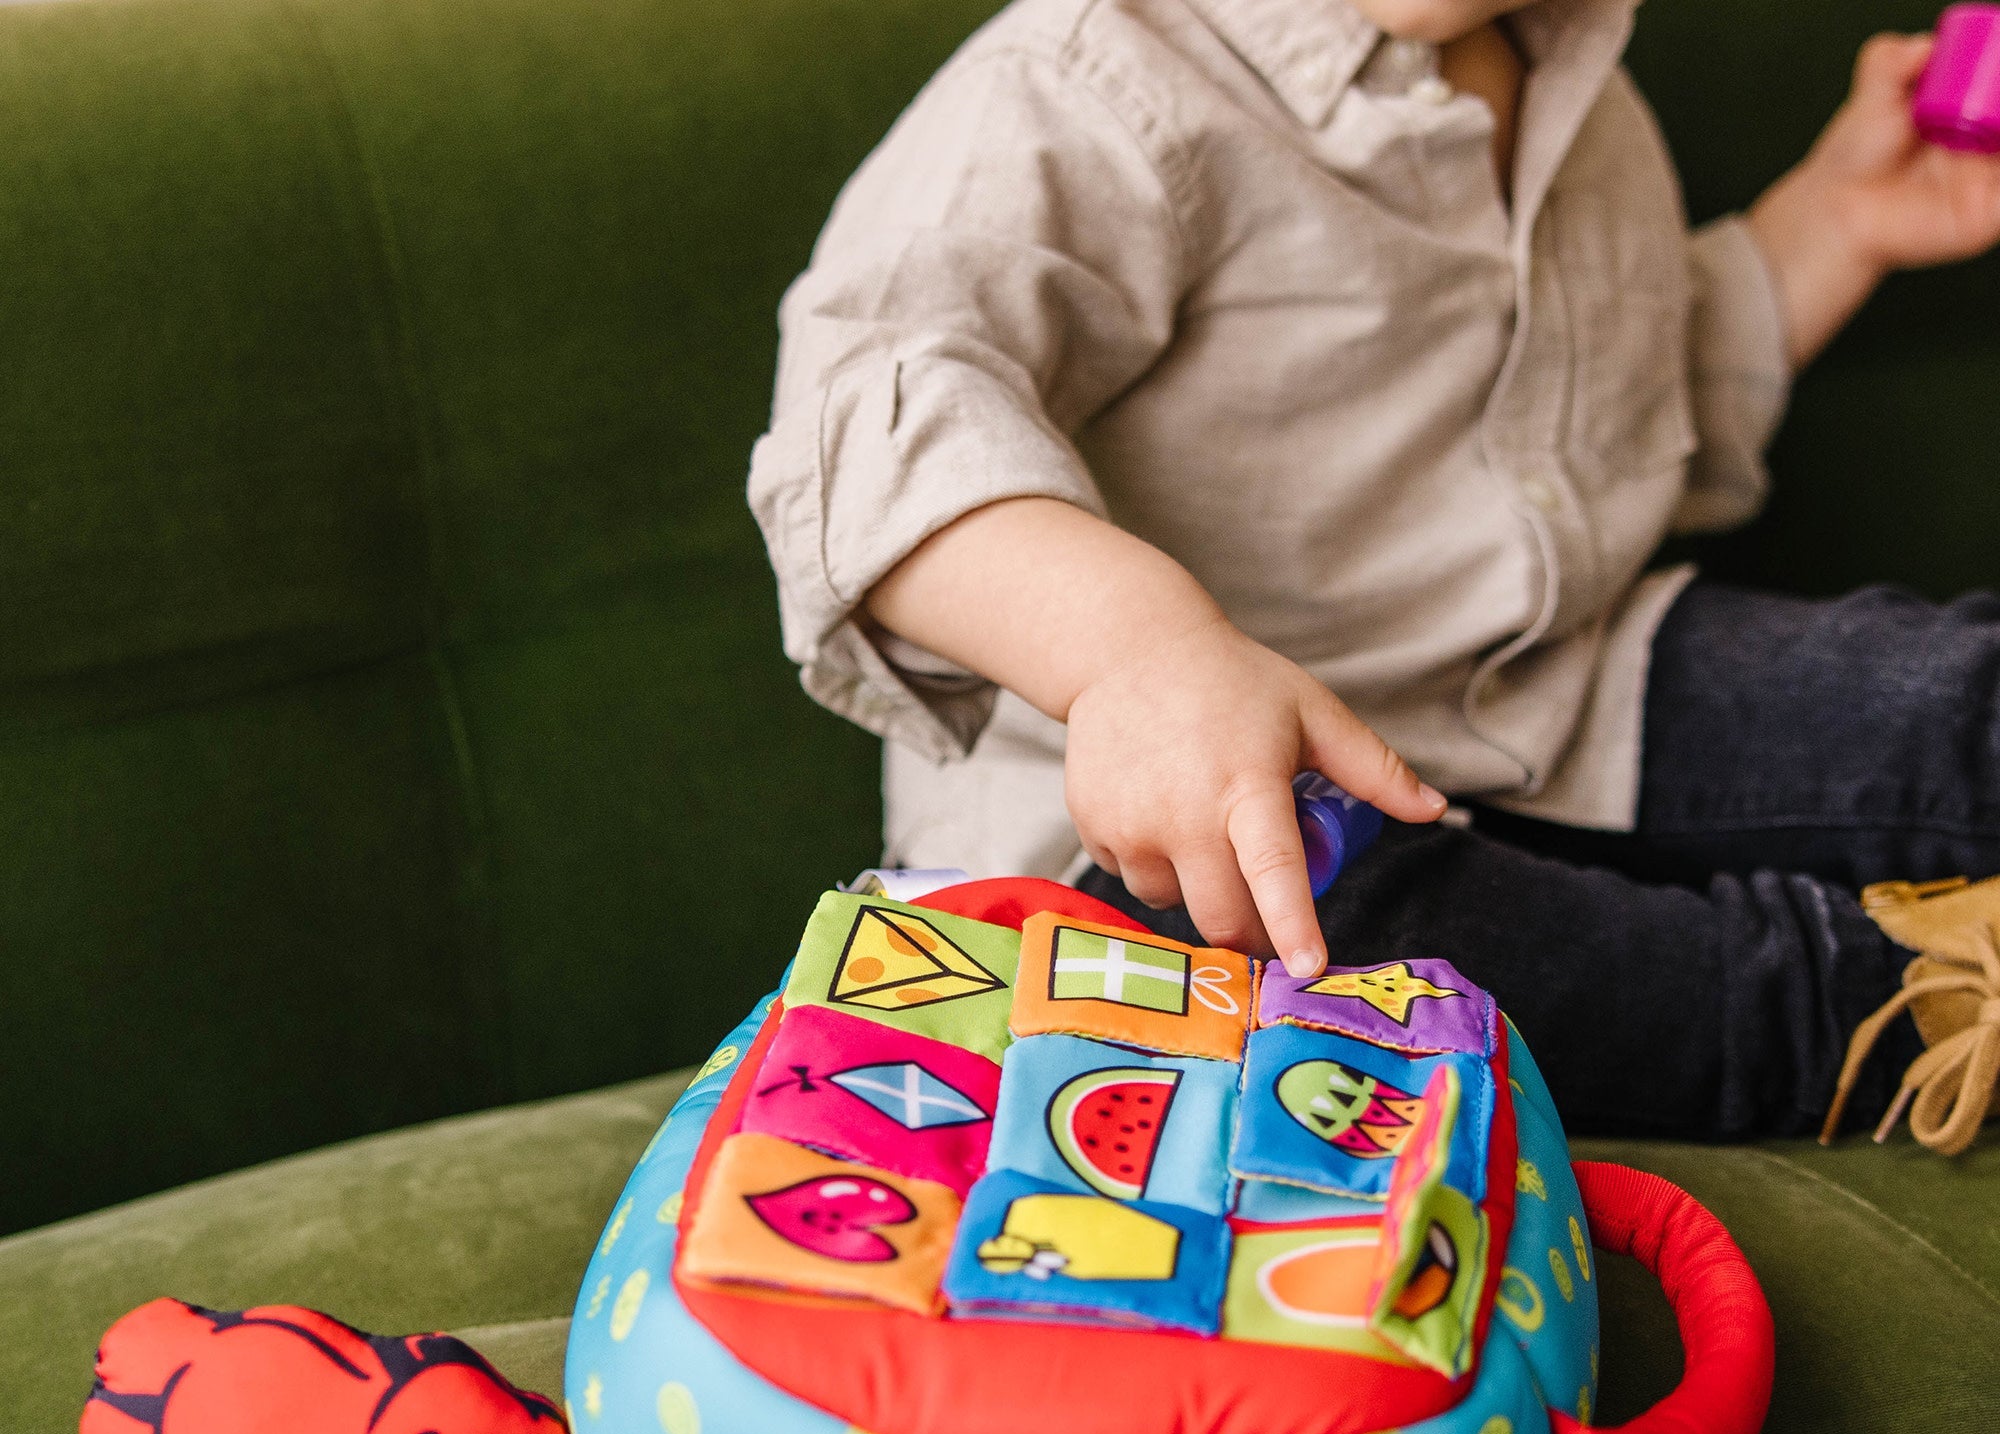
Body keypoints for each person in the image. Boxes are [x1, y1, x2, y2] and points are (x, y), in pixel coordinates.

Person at [749, 0, 2000, 1146]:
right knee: (1607, 987)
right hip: (1177, 841)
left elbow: (1602, 415)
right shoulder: (1086, 81)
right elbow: (868, 426)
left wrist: (1834, 221)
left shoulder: (1572, 81)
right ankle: (1901, 1000)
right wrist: (1132, 650)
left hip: (1548, 675)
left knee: (1948, 704)